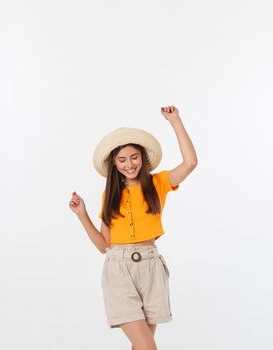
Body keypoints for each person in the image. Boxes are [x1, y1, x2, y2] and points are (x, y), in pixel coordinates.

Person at [69, 105, 197, 350]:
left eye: (134, 157)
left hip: (151, 267)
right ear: (114, 164)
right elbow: (103, 245)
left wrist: (175, 121)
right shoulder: (110, 195)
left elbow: (190, 163)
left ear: (143, 158)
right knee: (148, 347)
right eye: (122, 159)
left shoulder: (158, 183)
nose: (129, 164)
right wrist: (82, 215)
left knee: (141, 347)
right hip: (119, 269)